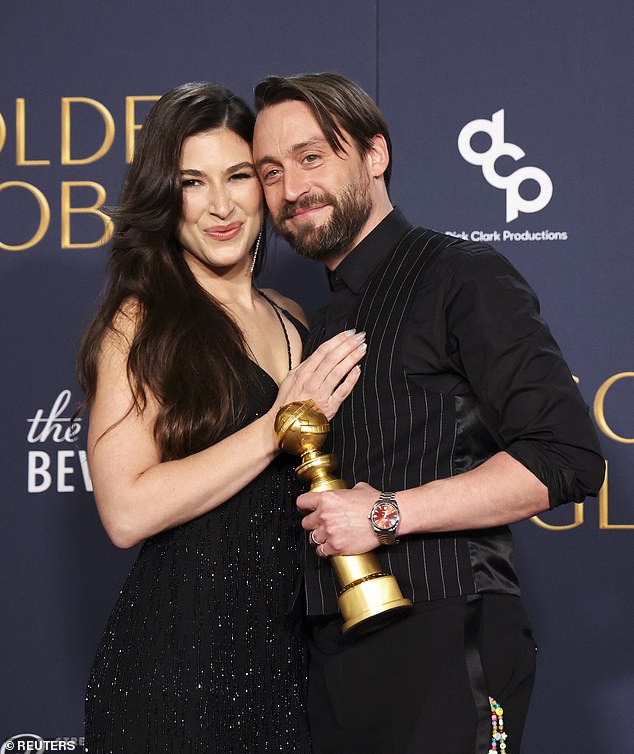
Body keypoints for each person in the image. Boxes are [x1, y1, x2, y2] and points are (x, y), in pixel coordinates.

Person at [252, 72, 605, 753]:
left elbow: (567, 458)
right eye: (270, 172)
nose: (291, 189)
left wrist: (384, 513)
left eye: (311, 156)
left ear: (375, 156)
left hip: (449, 637)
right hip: (331, 663)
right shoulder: (312, 325)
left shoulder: (462, 274)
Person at [76, 82, 366, 753]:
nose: (221, 205)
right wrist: (275, 427)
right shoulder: (141, 323)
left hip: (287, 671)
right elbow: (124, 512)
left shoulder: (294, 319)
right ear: (165, 197)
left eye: (239, 175)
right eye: (192, 182)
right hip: (173, 675)